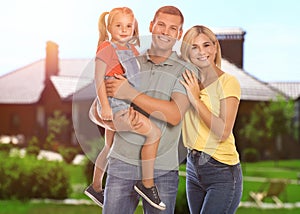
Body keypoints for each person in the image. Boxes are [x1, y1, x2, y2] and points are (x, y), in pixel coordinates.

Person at [89, 5, 195, 214]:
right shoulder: (130, 61)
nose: (165, 32)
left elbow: (174, 115)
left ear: (179, 34)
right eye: (161, 25)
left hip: (162, 170)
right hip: (121, 164)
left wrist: (129, 93)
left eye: (173, 29)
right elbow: (95, 109)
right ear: (151, 26)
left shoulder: (186, 70)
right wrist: (109, 119)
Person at [84, 7, 166, 210]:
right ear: (109, 27)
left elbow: (139, 74)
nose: (123, 30)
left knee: (109, 147)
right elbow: (98, 79)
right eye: (118, 25)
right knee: (154, 132)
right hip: (114, 105)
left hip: (125, 102)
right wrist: (104, 106)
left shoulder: (131, 50)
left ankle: (95, 187)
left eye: (128, 26)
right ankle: (147, 184)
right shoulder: (106, 47)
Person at [180, 25, 243, 214]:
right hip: (193, 167)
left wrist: (195, 99)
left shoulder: (228, 82)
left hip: (222, 170)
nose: (202, 52)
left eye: (206, 45)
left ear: (215, 47)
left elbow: (223, 131)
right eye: (194, 47)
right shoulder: (187, 81)